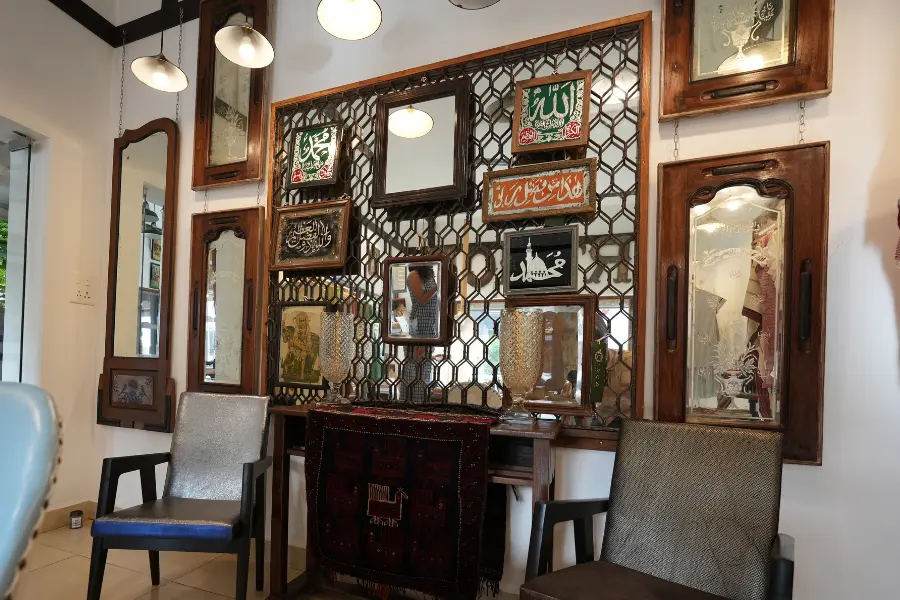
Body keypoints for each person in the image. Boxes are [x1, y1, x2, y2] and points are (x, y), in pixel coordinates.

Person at [400, 264, 439, 403]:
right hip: (419, 325)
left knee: (424, 373)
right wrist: (438, 287)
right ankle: (408, 407)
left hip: (430, 326)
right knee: (413, 370)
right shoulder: (414, 275)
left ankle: (421, 407)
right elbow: (421, 299)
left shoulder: (429, 275)